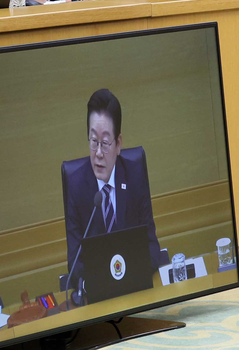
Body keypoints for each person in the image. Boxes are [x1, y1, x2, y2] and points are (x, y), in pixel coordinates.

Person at [61, 88, 166, 296]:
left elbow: (152, 247)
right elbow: (75, 264)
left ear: (118, 144)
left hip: (137, 292)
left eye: (106, 143)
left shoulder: (134, 176)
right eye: (93, 141)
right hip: (98, 298)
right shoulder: (76, 187)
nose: (98, 153)